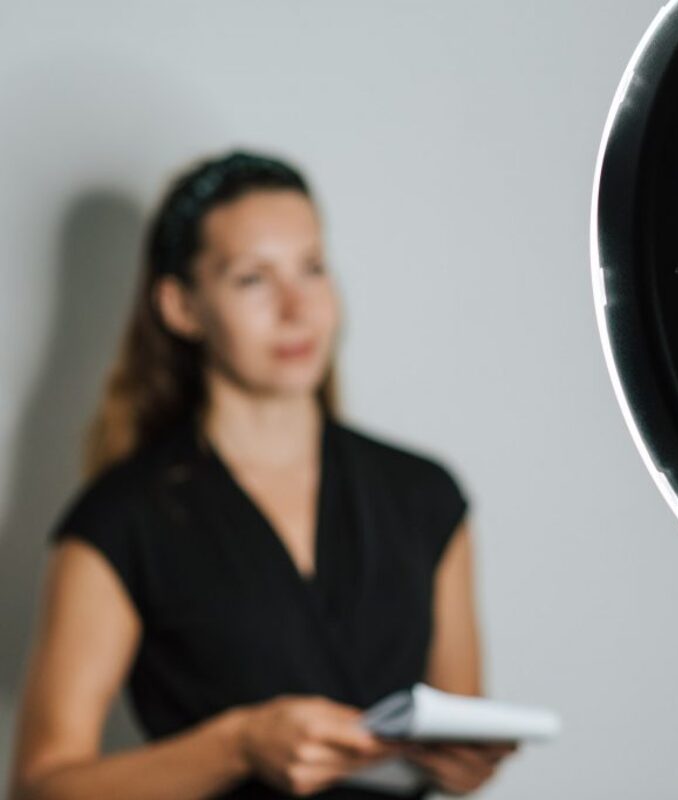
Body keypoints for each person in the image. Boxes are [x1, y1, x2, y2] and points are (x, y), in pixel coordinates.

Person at [7, 151, 517, 799]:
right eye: (253, 279)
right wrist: (238, 745)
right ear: (181, 307)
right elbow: (40, 786)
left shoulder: (425, 496)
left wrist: (464, 765)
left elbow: (457, 733)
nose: (297, 307)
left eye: (313, 268)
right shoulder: (119, 522)